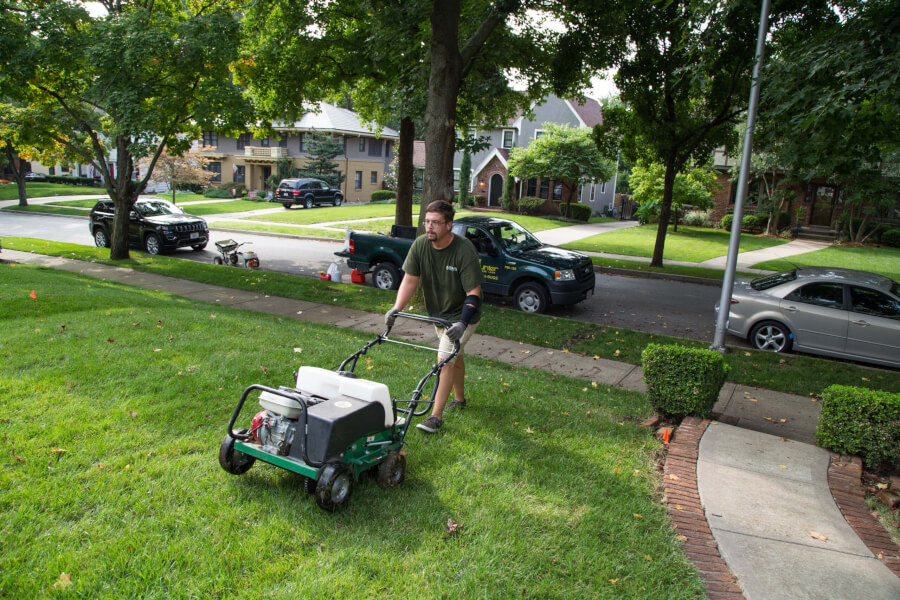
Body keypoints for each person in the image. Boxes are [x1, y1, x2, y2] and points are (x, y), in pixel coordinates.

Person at [385, 200, 483, 433]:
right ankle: (459, 400)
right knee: (455, 358)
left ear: (449, 225)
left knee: (445, 359)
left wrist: (462, 323)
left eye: (436, 223)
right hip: (438, 315)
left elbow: (474, 293)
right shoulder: (420, 246)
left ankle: (435, 417)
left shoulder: (463, 250)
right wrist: (396, 308)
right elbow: (410, 279)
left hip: (463, 316)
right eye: (427, 222)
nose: (429, 227)